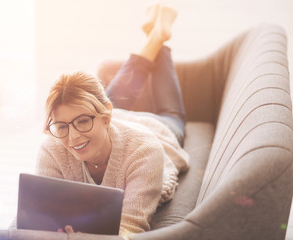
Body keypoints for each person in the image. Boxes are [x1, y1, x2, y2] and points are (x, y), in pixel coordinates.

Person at [37, 3, 190, 238]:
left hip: (160, 130)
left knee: (172, 113)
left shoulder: (146, 151)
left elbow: (130, 228)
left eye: (81, 122)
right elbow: (42, 220)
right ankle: (154, 35)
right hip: (111, 122)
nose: (73, 136)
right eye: (61, 126)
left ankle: (158, 38)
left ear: (107, 117)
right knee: (99, 99)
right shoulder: (54, 146)